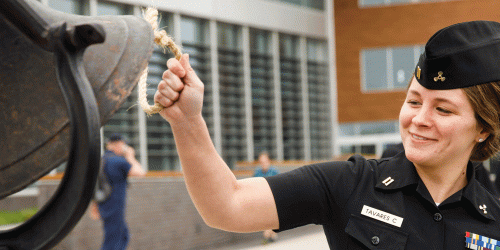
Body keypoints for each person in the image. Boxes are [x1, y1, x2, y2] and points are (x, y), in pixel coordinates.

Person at [153, 21, 500, 249]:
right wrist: (187, 122)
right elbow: (228, 206)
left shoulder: (493, 221)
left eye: (443, 109)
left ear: (484, 128)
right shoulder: (349, 184)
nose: (418, 119)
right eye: (413, 101)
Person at [90, 133, 146, 250]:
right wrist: (130, 156)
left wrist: (94, 205)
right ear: (119, 145)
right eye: (123, 145)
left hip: (105, 206)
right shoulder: (118, 161)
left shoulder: (102, 159)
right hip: (114, 207)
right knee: (112, 242)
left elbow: (95, 184)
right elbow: (140, 172)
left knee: (123, 236)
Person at [381, 143, 499, 197]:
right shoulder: (393, 154)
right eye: (414, 103)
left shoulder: (470, 162)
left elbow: (492, 198)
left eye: (443, 110)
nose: (421, 120)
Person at [252, 152, 279, 244]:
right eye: (261, 162)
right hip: (261, 200)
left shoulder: (274, 171)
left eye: (265, 161)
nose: (263, 164)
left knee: (271, 217)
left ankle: (269, 234)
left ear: (269, 161)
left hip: (272, 199)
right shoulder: (257, 172)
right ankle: (272, 234)